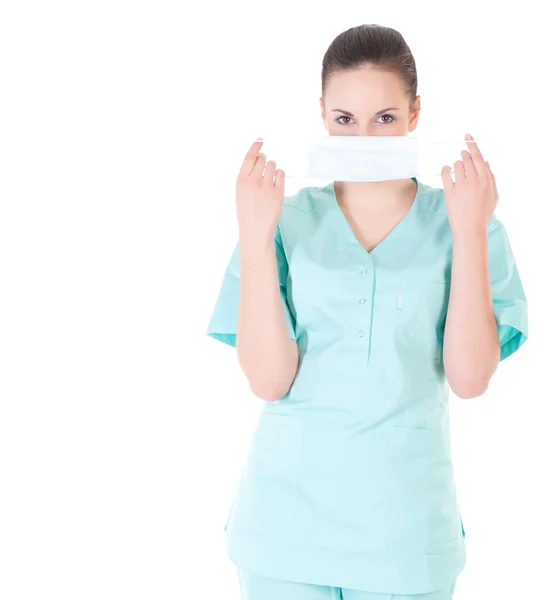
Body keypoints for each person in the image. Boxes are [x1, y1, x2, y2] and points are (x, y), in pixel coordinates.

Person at [205, 24, 528, 600]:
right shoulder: (283, 219)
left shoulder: (464, 221)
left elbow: (471, 378)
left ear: (415, 113)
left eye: (384, 118)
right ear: (322, 116)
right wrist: (254, 235)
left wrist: (469, 231)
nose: (363, 139)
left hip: (405, 538)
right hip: (286, 533)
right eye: (344, 120)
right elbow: (269, 379)